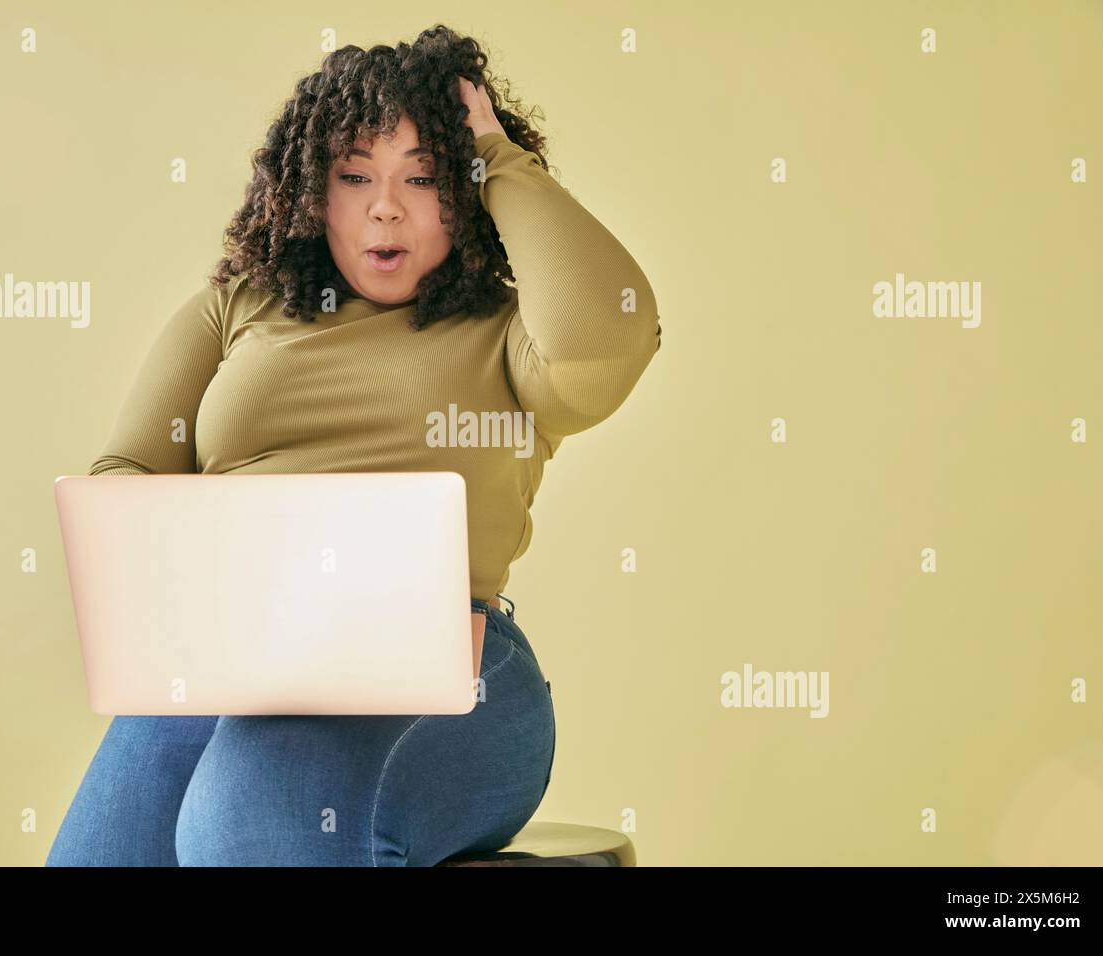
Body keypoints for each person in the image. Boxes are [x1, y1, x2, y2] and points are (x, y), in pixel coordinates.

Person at [46, 24, 661, 866]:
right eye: (355, 176)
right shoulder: (238, 307)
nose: (386, 206)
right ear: (310, 190)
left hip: (455, 667)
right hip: (235, 658)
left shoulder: (509, 335)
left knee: (245, 823)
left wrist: (499, 156)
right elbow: (124, 478)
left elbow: (609, 332)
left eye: (425, 177)